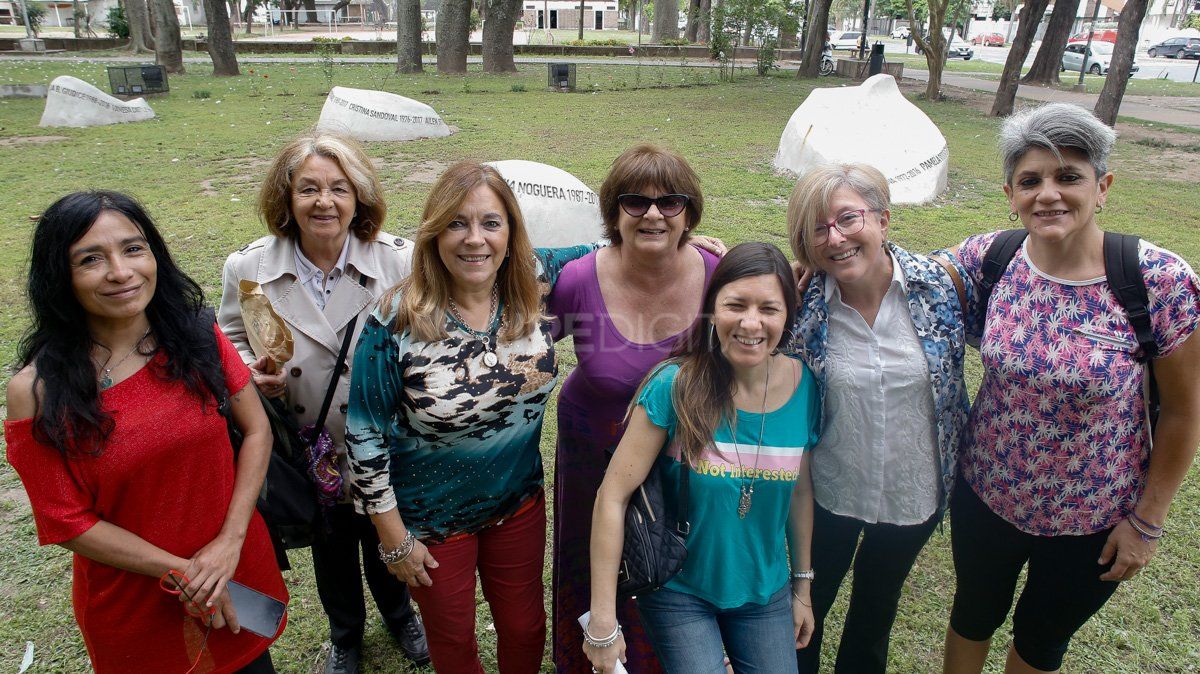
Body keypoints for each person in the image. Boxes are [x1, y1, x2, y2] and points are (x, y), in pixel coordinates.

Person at [943, 103, 1200, 674]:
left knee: (1041, 640)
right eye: (1030, 180)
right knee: (972, 612)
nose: (1048, 194)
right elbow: (898, 279)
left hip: (1096, 517)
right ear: (1010, 192)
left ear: (1102, 186)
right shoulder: (990, 259)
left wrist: (1147, 521)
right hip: (988, 492)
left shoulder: (1159, 281)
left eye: (1069, 177)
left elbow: (1184, 413)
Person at [4, 191, 287, 673]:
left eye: (133, 249)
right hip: (138, 604)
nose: (120, 271)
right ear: (60, 276)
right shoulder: (37, 391)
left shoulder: (196, 334)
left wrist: (229, 545)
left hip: (236, 566)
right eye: (91, 259)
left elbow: (257, 430)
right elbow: (66, 521)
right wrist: (185, 572)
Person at [344, 161, 596, 673]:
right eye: (457, 223)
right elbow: (364, 431)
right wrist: (392, 536)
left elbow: (612, 252)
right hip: (432, 521)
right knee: (453, 638)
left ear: (511, 234)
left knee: (526, 628)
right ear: (435, 233)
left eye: (491, 223)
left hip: (518, 503)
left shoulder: (534, 279)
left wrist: (688, 240)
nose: (475, 240)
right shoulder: (394, 318)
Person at [217, 129, 427, 674]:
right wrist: (246, 371)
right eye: (308, 189)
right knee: (331, 547)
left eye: (339, 188)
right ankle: (345, 636)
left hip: (384, 441)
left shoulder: (399, 262)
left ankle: (401, 615)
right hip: (309, 443)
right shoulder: (249, 269)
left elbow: (426, 334)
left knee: (386, 531)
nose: (324, 202)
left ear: (360, 197)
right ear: (286, 200)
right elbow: (231, 335)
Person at [585, 242, 820, 674]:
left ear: (788, 315)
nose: (751, 322)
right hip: (680, 591)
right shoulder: (676, 386)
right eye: (735, 305)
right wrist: (602, 620)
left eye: (769, 308)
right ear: (712, 308)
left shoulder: (805, 386)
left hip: (764, 591)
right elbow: (612, 497)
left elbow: (801, 493)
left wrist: (801, 586)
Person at [785, 163, 971, 674]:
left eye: (848, 219)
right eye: (818, 228)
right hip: (828, 490)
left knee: (875, 609)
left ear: (884, 220)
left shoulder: (943, 286)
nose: (836, 238)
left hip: (914, 491)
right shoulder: (798, 303)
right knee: (804, 614)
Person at [548, 144, 721, 674]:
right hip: (591, 456)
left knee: (667, 574)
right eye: (634, 201)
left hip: (679, 460)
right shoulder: (578, 280)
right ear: (612, 212)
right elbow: (522, 345)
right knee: (591, 575)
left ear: (689, 213)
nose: (652, 213)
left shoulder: (718, 274)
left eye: (670, 202)